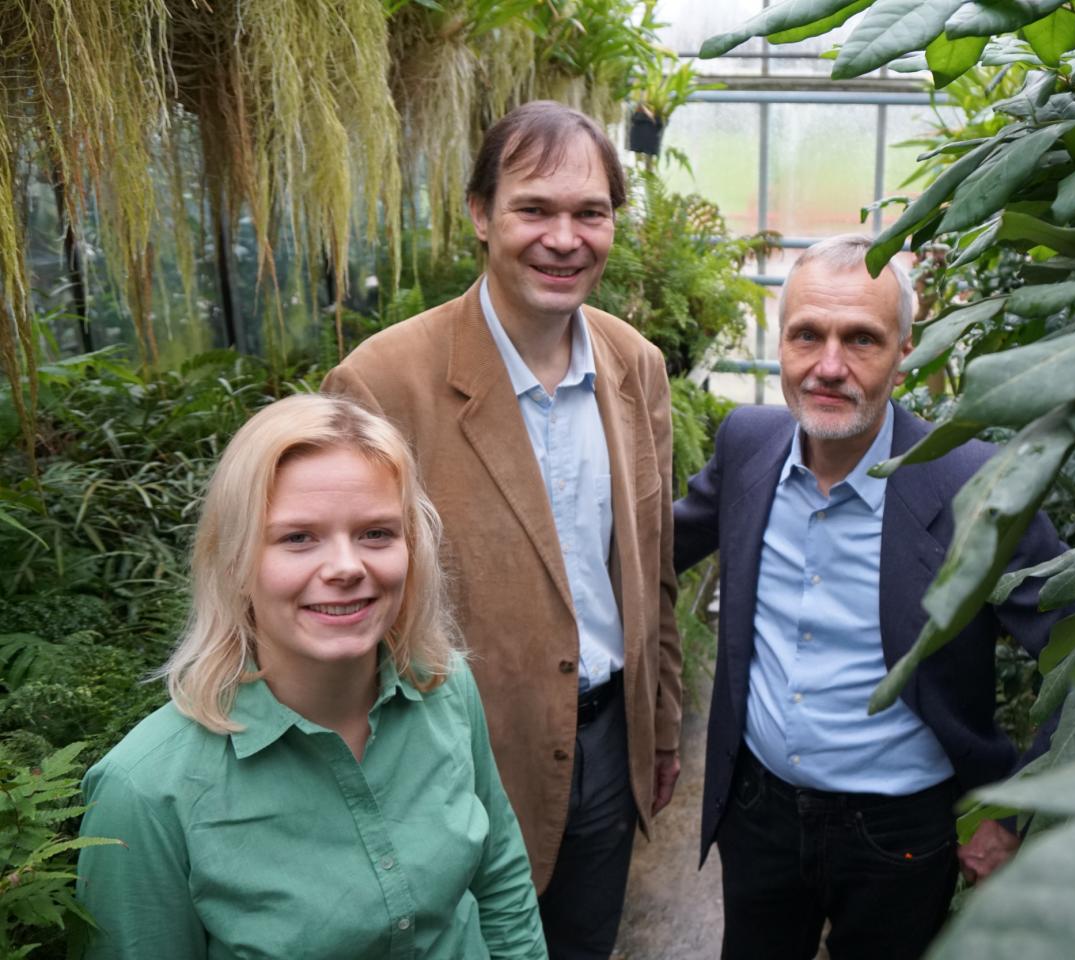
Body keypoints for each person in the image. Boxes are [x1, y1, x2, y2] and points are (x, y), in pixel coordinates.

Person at [322, 100, 681, 958]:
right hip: (444, 773)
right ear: (481, 215)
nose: (565, 238)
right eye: (535, 209)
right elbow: (336, 608)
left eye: (590, 212)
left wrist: (661, 727)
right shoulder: (383, 384)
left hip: (605, 752)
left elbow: (653, 569)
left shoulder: (635, 368)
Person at [673, 234, 1074, 960]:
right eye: (807, 335)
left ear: (905, 350)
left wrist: (1014, 812)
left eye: (861, 338)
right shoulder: (747, 444)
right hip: (758, 812)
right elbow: (653, 552)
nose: (829, 367)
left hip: (900, 834)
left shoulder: (974, 484)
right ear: (782, 340)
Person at [75, 394, 545, 959]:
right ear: (234, 562)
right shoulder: (146, 792)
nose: (347, 567)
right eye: (298, 537)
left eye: (376, 533)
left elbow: (499, 882)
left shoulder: (444, 687)